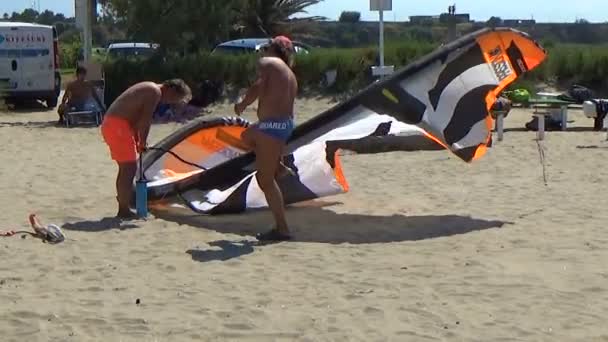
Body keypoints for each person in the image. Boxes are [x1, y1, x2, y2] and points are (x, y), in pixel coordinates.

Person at [234, 36, 298, 241]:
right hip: (283, 125)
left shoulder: (268, 63)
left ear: (272, 48)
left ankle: (283, 229)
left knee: (265, 180)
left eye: (267, 47)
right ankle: (278, 166)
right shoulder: (289, 73)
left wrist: (243, 103)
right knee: (246, 136)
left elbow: (258, 86)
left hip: (272, 126)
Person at [101, 79, 192, 219]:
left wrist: (138, 140)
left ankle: (123, 207)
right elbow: (145, 119)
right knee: (129, 168)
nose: (170, 102)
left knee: (126, 168)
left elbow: (136, 119)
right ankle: (123, 210)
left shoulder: (150, 89)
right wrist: (143, 141)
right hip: (117, 125)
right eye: (174, 98)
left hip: (115, 124)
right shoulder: (154, 91)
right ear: (171, 89)